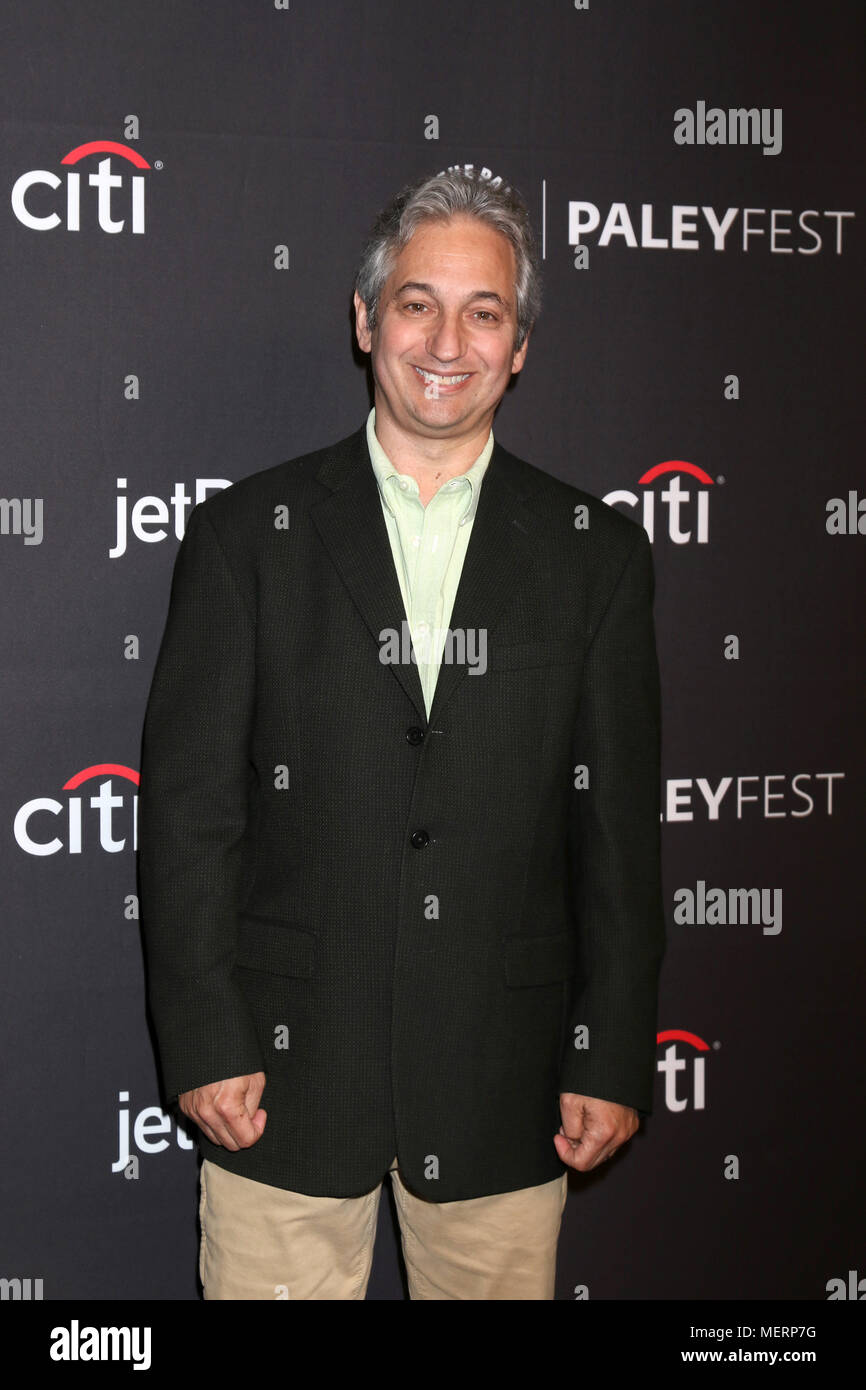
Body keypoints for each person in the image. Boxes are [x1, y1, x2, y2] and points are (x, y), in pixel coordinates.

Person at [138, 164, 665, 1301]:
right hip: (276, 1081)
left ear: (517, 345)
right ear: (366, 316)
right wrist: (204, 1034)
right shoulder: (246, 538)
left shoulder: (596, 555)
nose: (447, 339)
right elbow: (188, 817)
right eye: (418, 302)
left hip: (505, 1087)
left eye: (485, 312)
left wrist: (610, 1050)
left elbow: (617, 834)